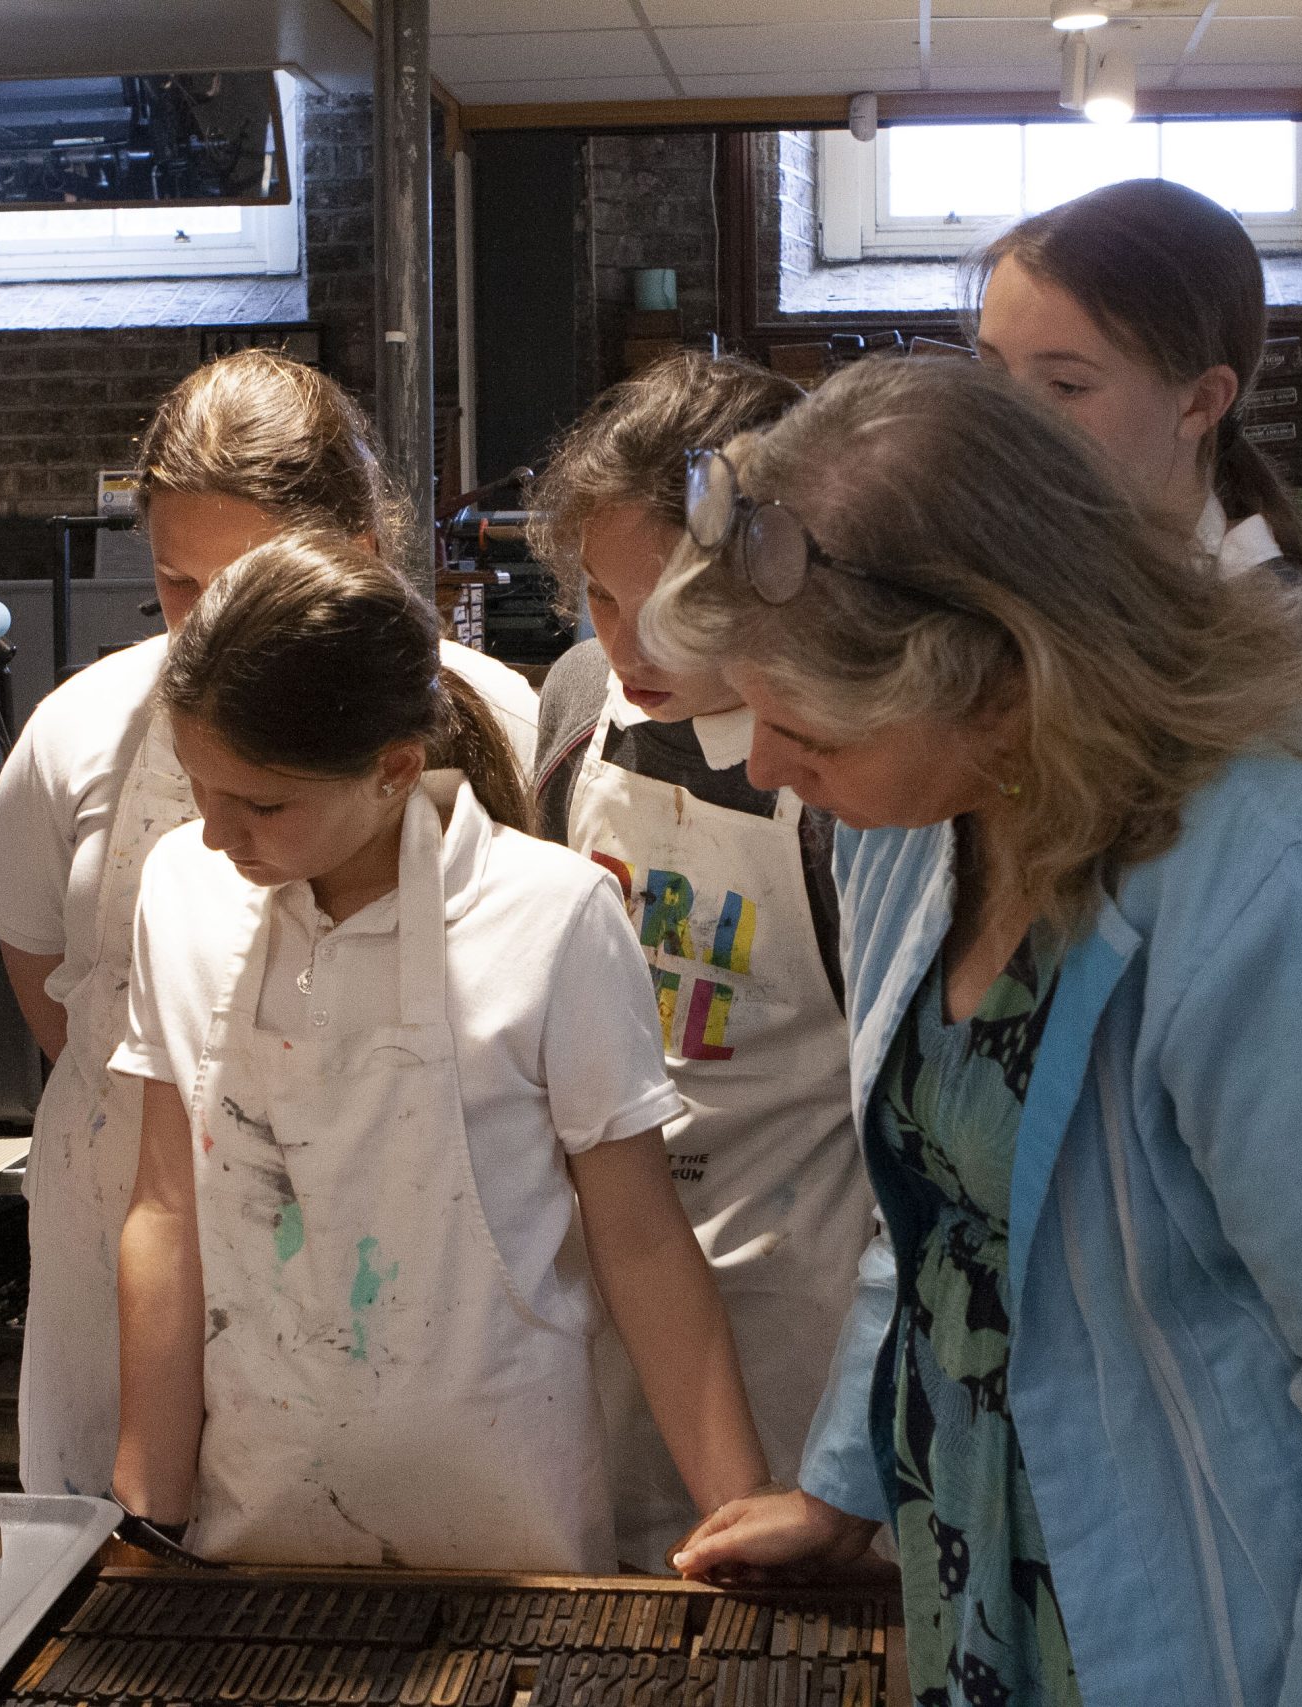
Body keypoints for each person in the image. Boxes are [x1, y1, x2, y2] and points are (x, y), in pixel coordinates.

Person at [656, 358, 1302, 1704]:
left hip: (1246, 1634)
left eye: (805, 729)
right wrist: (850, 1472)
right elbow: (941, 1217)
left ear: (1004, 684)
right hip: (998, 1581)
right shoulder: (921, 826)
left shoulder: (1293, 882)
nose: (764, 769)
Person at [108, 531, 768, 1573]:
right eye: (199, 787)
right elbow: (163, 1208)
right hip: (259, 1507)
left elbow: (638, 1241)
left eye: (262, 804)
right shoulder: (182, 896)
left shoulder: (550, 917)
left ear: (395, 768)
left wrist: (736, 1511)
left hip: (509, 1517)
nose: (215, 832)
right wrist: (149, 1509)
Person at [0, 349, 540, 1500]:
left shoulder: (494, 722)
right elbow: (42, 968)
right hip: (127, 1236)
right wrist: (186, 1135)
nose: (208, 624)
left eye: (243, 578)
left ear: (358, 556)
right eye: (178, 586)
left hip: (403, 1263)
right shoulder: (77, 732)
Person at [525, 351, 875, 1571]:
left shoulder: (848, 786)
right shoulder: (578, 713)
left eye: (676, 602)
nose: (634, 642)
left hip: (802, 1312)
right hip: (606, 1291)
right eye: (602, 599)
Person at [967, 179, 1302, 806]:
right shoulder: (1027, 608)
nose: (1008, 419)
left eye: (1066, 386)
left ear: (1200, 401)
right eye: (993, 369)